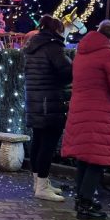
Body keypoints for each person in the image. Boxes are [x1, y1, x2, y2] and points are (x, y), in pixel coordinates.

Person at [61, 20, 110, 220]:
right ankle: (86, 204)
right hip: (98, 112)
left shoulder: (81, 53)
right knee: (95, 161)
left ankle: (82, 200)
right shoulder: (109, 55)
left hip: (79, 110)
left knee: (83, 160)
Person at [23, 15, 72, 202]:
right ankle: (42, 186)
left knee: (38, 141)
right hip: (50, 100)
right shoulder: (53, 47)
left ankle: (38, 182)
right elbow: (67, 72)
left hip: (35, 100)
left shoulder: (32, 46)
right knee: (48, 144)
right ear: (57, 30)